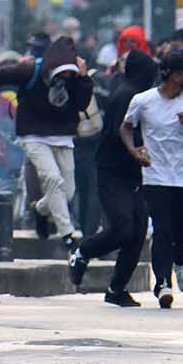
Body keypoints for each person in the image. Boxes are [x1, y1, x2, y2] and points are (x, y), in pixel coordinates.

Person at [0, 36, 92, 251]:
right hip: (33, 133)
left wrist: (84, 78)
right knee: (51, 178)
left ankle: (39, 208)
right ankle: (67, 234)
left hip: (63, 134)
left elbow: (82, 103)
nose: (66, 76)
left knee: (68, 191)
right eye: (63, 73)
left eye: (70, 72)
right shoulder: (30, 70)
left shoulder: (76, 76)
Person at [120, 51, 183, 309]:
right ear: (173, 75)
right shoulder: (144, 100)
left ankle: (181, 260)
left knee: (182, 229)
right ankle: (162, 283)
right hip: (156, 175)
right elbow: (126, 127)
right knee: (161, 230)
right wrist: (134, 150)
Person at [69, 48, 158, 307]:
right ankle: (83, 252)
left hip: (134, 173)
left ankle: (116, 289)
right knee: (123, 228)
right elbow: (124, 132)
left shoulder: (137, 94)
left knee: (138, 231)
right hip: (112, 172)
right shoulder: (127, 96)